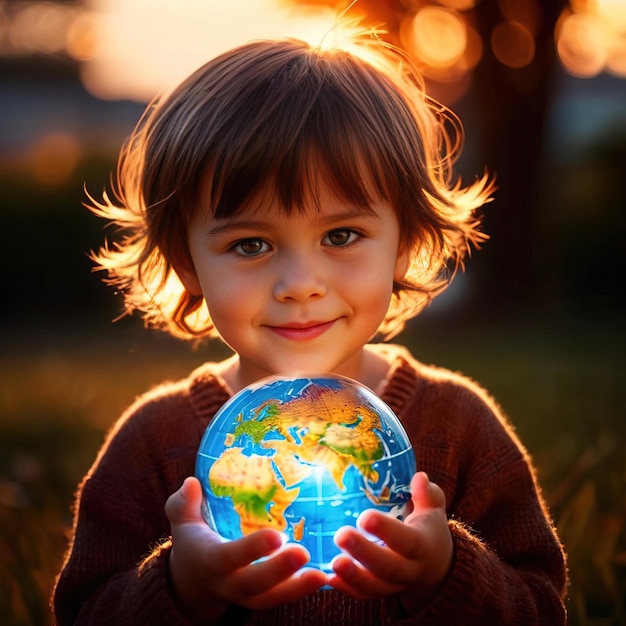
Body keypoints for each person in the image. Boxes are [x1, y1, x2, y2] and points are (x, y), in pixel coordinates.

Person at [52, 26, 568, 626]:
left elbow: (541, 607)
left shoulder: (459, 429)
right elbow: (84, 611)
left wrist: (446, 574)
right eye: (250, 244)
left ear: (404, 244)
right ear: (187, 263)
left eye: (341, 236)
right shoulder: (152, 444)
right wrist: (180, 587)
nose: (301, 283)